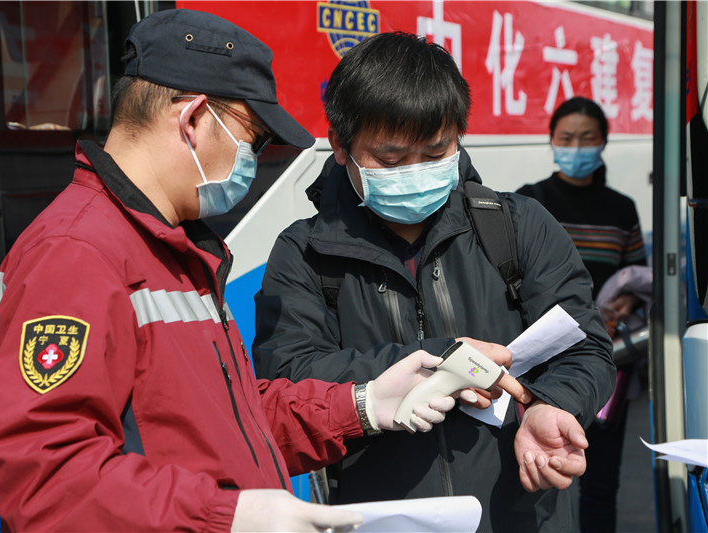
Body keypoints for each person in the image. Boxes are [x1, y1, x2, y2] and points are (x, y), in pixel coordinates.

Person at [0, 11, 527, 531]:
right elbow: (45, 476)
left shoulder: (168, 247)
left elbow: (226, 418)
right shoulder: (79, 252)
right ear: (192, 118)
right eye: (253, 138)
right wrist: (228, 515)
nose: (251, 159)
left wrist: (363, 404)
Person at [252, 32, 616, 532]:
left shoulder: (517, 225)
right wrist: (439, 360)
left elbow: (587, 348)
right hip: (383, 518)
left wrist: (551, 405)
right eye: (392, 159)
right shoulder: (304, 253)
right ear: (340, 146)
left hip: (521, 516)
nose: (417, 171)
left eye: (436, 150)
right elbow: (287, 376)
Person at [516, 96, 647, 533]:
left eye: (586, 139)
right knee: (539, 475)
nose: (576, 147)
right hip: (541, 363)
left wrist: (627, 304)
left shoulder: (621, 208)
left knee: (599, 479)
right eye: (566, 138)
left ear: (604, 143)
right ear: (551, 141)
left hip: (606, 358)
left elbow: (640, 278)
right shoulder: (527, 204)